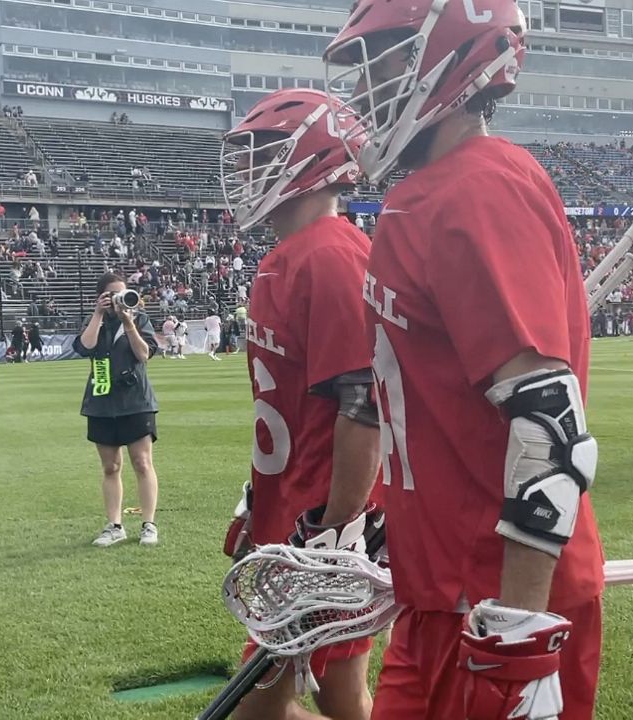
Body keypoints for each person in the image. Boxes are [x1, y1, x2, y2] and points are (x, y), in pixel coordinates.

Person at [324, 3, 604, 717]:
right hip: (442, 593)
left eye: (381, 60)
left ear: (445, 51)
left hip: (494, 606)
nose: (363, 89)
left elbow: (549, 429)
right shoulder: (429, 192)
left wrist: (519, 635)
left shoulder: (477, 188)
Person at [220, 87, 383, 720]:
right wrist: (261, 500)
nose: (247, 169)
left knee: (256, 710)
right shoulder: (289, 257)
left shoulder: (333, 255)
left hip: (322, 531)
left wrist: (336, 532)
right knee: (341, 694)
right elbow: (290, 406)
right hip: (297, 516)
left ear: (313, 158)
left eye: (263, 153)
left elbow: (363, 406)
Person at [75, 272, 162, 548]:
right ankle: (114, 525)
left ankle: (149, 524)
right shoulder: (95, 320)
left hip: (136, 400)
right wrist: (98, 314)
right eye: (112, 294)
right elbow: (85, 347)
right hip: (102, 401)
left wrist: (128, 322)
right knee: (110, 466)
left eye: (122, 294)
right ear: (101, 296)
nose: (118, 300)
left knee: (142, 462)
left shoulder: (138, 318)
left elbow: (144, 354)